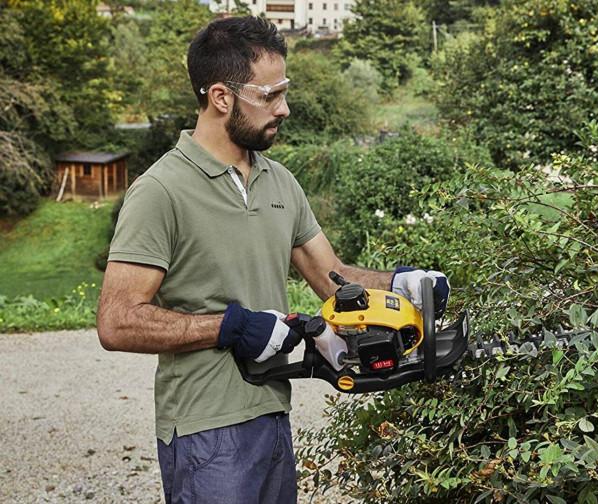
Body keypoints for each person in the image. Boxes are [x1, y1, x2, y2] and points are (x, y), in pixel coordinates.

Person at [96, 16, 449, 504]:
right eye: (269, 96)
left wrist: (405, 285)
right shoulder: (161, 191)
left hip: (272, 415)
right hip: (205, 429)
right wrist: (230, 327)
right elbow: (117, 321)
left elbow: (336, 280)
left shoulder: (279, 180)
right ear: (222, 97)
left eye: (284, 92)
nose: (283, 108)